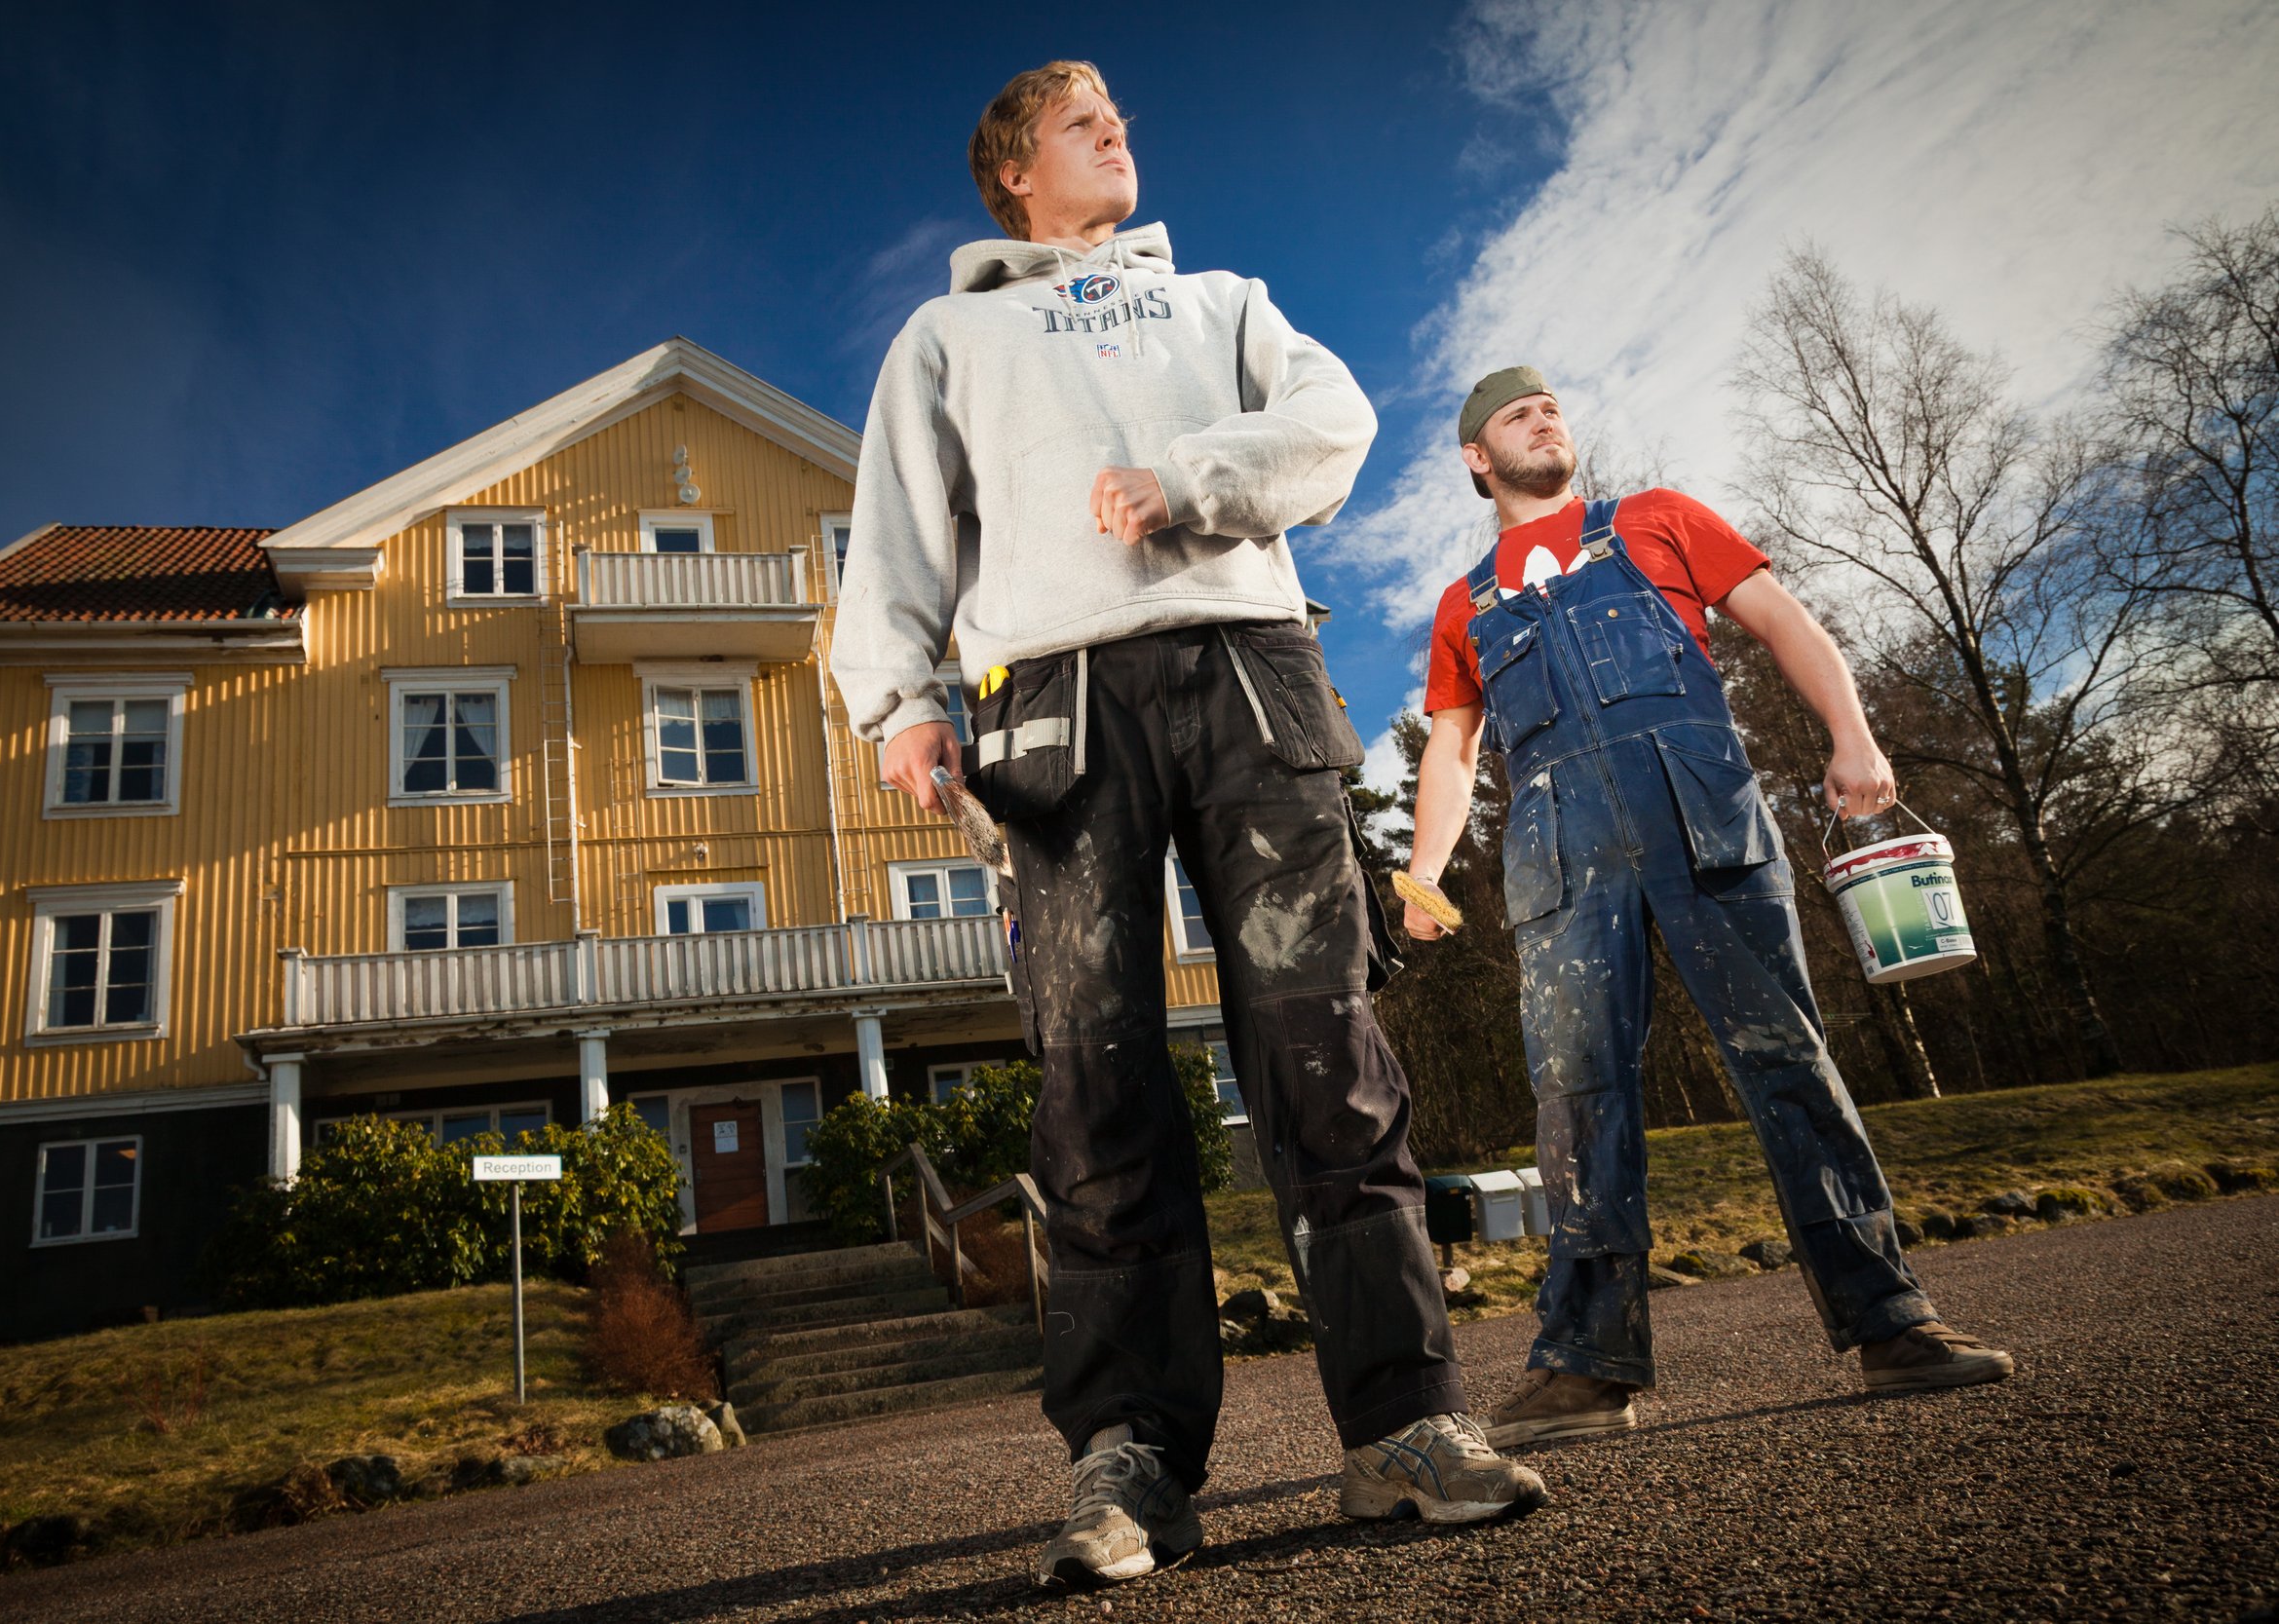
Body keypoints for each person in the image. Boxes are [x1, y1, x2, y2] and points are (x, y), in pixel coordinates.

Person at [829, 62, 1547, 1592]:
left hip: (1249, 670)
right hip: (1053, 708)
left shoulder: (1223, 298)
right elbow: (894, 522)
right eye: (1083, 122)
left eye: (1124, 119)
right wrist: (897, 700)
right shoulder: (952, 333)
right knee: (1094, 1078)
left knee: (1323, 1044)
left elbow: (1335, 421)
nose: (1119, 134)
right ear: (1012, 171)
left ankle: (1406, 1417)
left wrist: (1186, 481)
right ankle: (1132, 1454)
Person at [1403, 367, 2015, 1452]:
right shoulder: (1465, 604)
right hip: (1560, 863)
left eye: (1553, 404)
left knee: (1788, 1062)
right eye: (1517, 413)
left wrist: (1853, 736)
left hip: (1706, 824)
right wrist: (1427, 869)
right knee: (1576, 1100)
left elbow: (1785, 622)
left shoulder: (1659, 520)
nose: (1546, 417)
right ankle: (1584, 1368)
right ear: (1475, 457)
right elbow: (1451, 749)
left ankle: (1890, 1322)